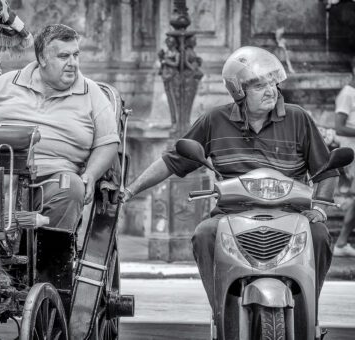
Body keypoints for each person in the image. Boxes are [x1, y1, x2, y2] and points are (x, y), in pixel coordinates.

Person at [124, 46, 338, 317]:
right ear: (239, 92)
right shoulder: (215, 120)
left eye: (273, 83)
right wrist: (130, 190)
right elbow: (172, 161)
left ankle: (309, 313)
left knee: (319, 235)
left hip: (291, 216)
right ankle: (222, 312)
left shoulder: (298, 119)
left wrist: (319, 209)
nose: (271, 90)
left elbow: (328, 171)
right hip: (231, 216)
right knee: (204, 235)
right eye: (259, 85)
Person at [0, 24, 119, 233]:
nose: (73, 64)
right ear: (42, 58)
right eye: (64, 56)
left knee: (71, 188)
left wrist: (92, 174)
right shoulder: (1, 85)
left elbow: (108, 143)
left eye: (76, 55)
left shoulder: (92, 93)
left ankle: (49, 262)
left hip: (53, 177)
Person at [333, 57, 355, 256]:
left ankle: (341, 242)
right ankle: (340, 242)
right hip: (352, 152)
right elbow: (339, 127)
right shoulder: (347, 93)